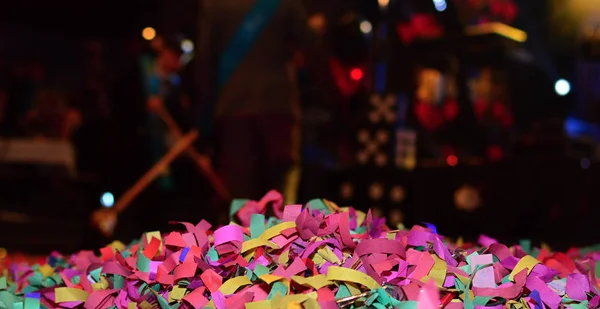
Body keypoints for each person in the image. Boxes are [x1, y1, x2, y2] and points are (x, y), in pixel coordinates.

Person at [194, 0, 316, 206]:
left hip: (232, 108)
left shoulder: (214, 5)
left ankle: (241, 236)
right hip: (277, 106)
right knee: (279, 194)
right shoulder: (286, 3)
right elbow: (311, 48)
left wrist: (202, 119)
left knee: (241, 196)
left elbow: (204, 63)